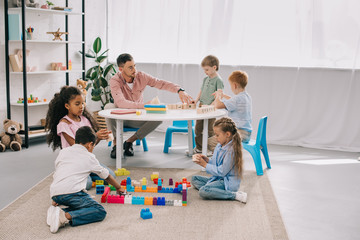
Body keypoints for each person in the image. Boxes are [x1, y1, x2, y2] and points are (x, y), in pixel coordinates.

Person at [105, 53, 194, 158]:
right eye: (130, 67)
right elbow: (121, 103)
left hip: (137, 117)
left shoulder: (141, 76)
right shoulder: (115, 80)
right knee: (108, 107)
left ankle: (129, 142)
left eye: (134, 66)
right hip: (120, 118)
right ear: (120, 69)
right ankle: (116, 145)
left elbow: (160, 83)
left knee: (160, 116)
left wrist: (179, 90)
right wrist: (144, 106)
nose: (134, 69)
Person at [47, 126, 124, 233]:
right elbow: (107, 176)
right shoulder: (89, 157)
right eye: (93, 146)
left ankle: (57, 212)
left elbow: (58, 173)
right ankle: (64, 216)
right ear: (90, 144)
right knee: (99, 211)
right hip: (72, 194)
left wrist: (56, 197)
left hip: (55, 194)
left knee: (82, 205)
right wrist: (119, 188)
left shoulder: (64, 152)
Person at [45, 86, 115, 190]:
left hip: (86, 161)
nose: (81, 106)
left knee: (111, 176)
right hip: (73, 164)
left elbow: (90, 145)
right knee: (87, 185)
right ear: (67, 106)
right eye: (77, 104)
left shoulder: (84, 120)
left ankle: (86, 173)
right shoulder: (64, 124)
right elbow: (76, 146)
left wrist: (100, 137)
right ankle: (76, 176)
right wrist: (96, 136)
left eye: (82, 103)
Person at [191, 117, 247, 203]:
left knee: (203, 191)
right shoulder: (219, 145)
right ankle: (214, 189)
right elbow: (216, 163)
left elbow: (222, 171)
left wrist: (205, 165)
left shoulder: (232, 151)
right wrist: (207, 160)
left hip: (227, 182)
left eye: (217, 135)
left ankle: (234, 195)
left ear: (227, 134)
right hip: (218, 178)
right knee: (194, 179)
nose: (215, 137)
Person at [194, 55, 224, 155]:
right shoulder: (205, 79)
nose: (205, 72)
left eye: (207, 69)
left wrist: (212, 105)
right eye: (204, 70)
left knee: (210, 129)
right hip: (202, 105)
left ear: (214, 67)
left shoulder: (218, 80)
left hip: (211, 108)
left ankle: (212, 149)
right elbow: (201, 90)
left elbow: (219, 95)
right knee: (198, 128)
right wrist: (196, 100)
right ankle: (199, 148)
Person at [213, 70, 252, 143]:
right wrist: (224, 95)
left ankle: (220, 152)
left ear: (234, 85)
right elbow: (233, 101)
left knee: (214, 140)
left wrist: (218, 95)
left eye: (230, 85)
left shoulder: (236, 99)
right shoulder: (246, 96)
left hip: (240, 134)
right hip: (246, 133)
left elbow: (217, 105)